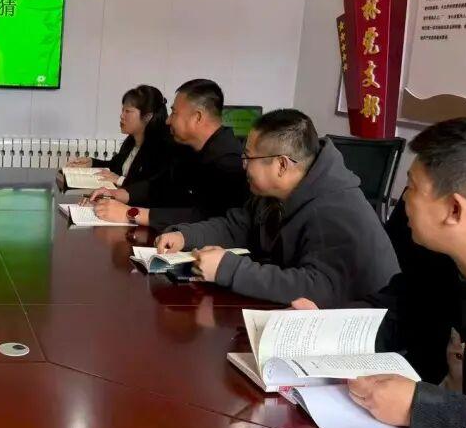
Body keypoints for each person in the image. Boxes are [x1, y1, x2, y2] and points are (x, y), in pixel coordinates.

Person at [331, 119, 466, 428]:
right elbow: (396, 309)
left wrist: (419, 407)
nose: (404, 200)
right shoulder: (438, 255)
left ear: (454, 209)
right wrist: (325, 326)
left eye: (412, 187)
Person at [155, 108, 399, 306]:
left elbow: (314, 287)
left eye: (249, 158)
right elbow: (238, 226)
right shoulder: (275, 192)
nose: (243, 166)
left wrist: (228, 269)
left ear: (282, 165)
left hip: (352, 333)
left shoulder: (335, 209)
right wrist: (185, 235)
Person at [87, 79, 249, 226]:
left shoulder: (229, 161)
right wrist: (118, 194)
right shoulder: (187, 148)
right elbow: (161, 185)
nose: (167, 120)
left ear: (197, 117)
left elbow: (206, 217)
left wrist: (131, 214)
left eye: (174, 113)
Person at [67, 84, 185, 191]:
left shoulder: (162, 148)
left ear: (147, 116)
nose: (121, 116)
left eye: (128, 111)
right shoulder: (131, 141)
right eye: (122, 110)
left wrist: (120, 180)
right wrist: (91, 162)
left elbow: (151, 189)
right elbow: (114, 167)